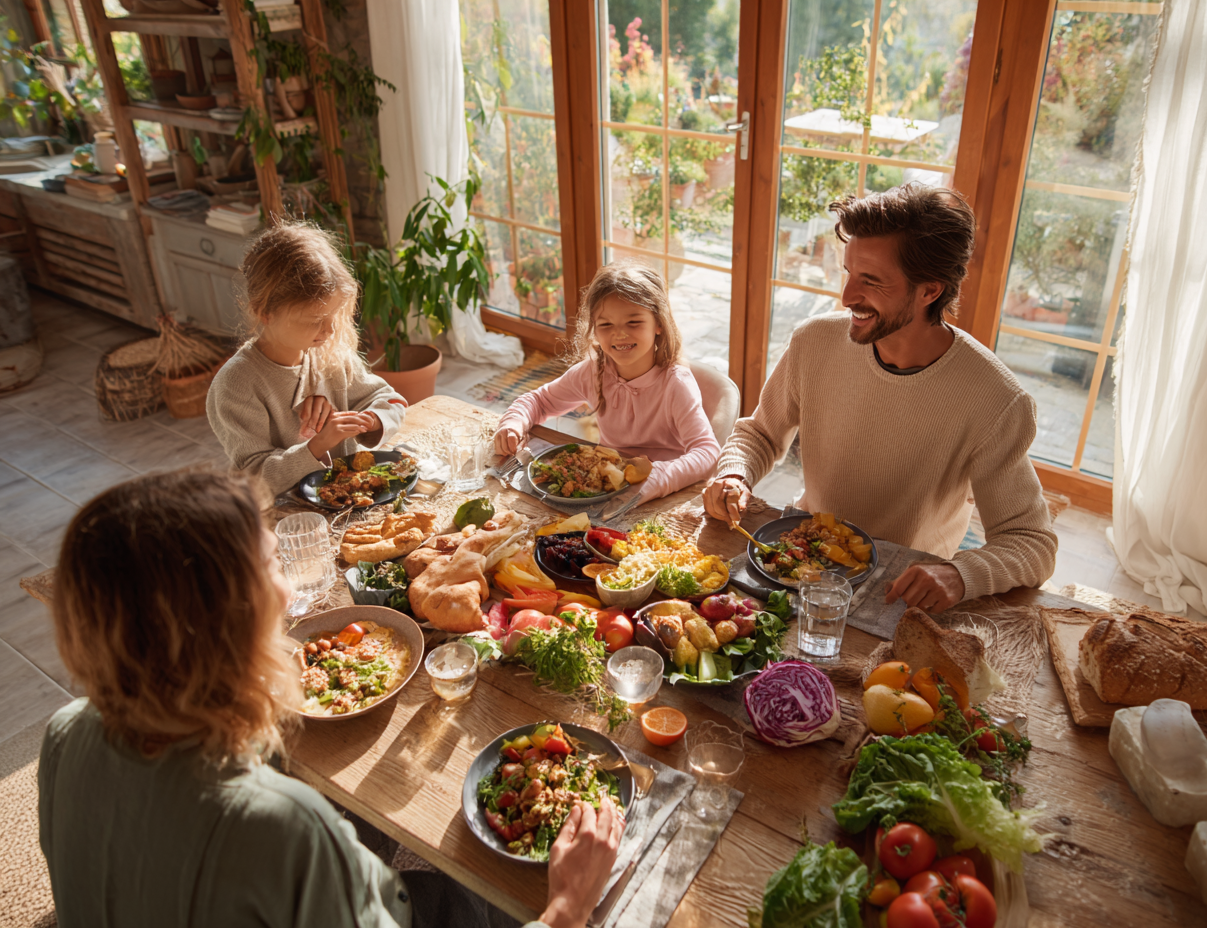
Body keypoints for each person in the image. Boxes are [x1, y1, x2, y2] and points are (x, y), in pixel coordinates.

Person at [39, 470, 624, 928]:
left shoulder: (65, 732)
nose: (293, 585)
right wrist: (566, 909)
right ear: (229, 623)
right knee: (484, 881)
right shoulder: (283, 825)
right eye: (273, 564)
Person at [703, 184, 1057, 612]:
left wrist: (961, 574)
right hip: (795, 561)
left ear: (929, 291)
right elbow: (759, 433)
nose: (847, 296)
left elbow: (1032, 542)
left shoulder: (996, 400)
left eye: (870, 281)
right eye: (848, 273)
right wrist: (735, 474)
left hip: (900, 591)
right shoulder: (813, 341)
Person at [207, 223, 406, 494]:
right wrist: (318, 444)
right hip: (289, 520)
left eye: (334, 315)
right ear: (265, 312)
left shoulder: (330, 351)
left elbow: (390, 400)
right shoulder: (236, 384)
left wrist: (368, 419)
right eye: (314, 320)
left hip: (350, 501)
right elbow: (253, 480)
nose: (330, 330)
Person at [494, 261, 720, 501]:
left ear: (660, 324)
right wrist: (514, 423)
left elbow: (707, 453)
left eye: (633, 322)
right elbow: (539, 401)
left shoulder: (677, 384)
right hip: (607, 491)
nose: (620, 333)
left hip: (666, 494)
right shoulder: (594, 371)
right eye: (605, 324)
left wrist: (657, 477)